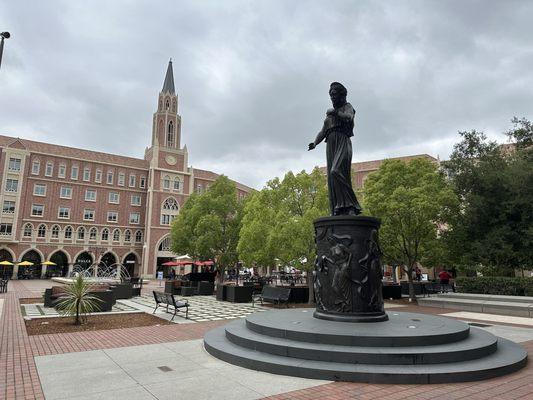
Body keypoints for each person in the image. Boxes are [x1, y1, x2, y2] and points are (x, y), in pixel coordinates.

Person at [308, 82, 362, 216]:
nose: (332, 97)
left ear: (341, 95)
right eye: (330, 95)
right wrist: (315, 143)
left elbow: (348, 117)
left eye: (334, 94)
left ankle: (352, 204)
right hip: (330, 146)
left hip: (343, 142)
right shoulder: (329, 117)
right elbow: (322, 132)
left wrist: (335, 112)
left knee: (336, 171)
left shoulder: (347, 107)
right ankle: (340, 206)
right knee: (332, 179)